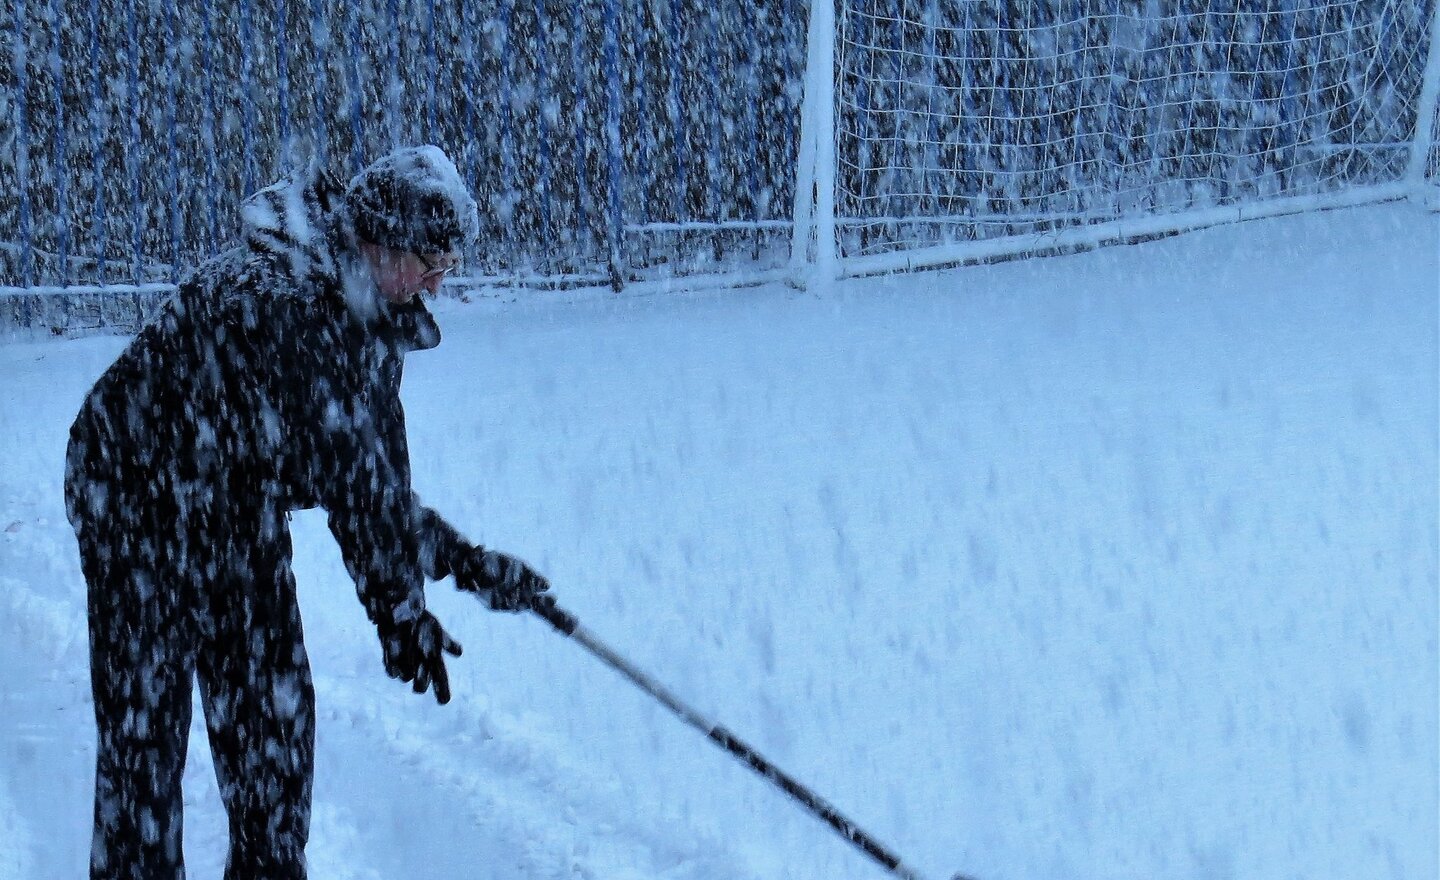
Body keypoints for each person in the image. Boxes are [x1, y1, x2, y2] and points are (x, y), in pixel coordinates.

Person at [63, 145, 550, 880]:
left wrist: (456, 566)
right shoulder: (288, 301)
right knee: (146, 747)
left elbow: (376, 476)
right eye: (430, 259)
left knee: (273, 729)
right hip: (134, 496)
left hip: (235, 500)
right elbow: (351, 484)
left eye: (447, 263)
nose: (438, 281)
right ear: (379, 240)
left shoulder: (373, 316)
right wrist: (396, 608)